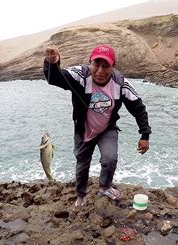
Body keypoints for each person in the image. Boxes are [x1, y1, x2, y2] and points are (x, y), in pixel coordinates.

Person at [43, 45, 152, 207]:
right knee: (82, 164)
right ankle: (80, 195)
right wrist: (52, 63)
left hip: (107, 129)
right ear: (90, 63)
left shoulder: (120, 83)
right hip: (83, 130)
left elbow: (138, 107)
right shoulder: (80, 75)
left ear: (113, 67)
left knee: (110, 159)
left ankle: (105, 186)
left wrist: (145, 135)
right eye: (96, 64)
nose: (100, 70)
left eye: (106, 66)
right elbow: (55, 78)